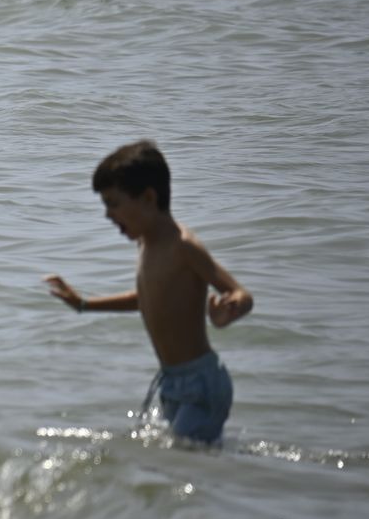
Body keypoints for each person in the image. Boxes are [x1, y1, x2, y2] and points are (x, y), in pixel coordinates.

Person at [43, 141, 254, 446]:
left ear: (148, 198)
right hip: (171, 383)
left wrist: (229, 310)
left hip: (201, 384)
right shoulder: (146, 243)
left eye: (113, 203)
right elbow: (147, 299)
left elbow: (241, 293)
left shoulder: (184, 246)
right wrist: (84, 304)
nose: (107, 215)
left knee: (185, 460)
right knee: (186, 460)